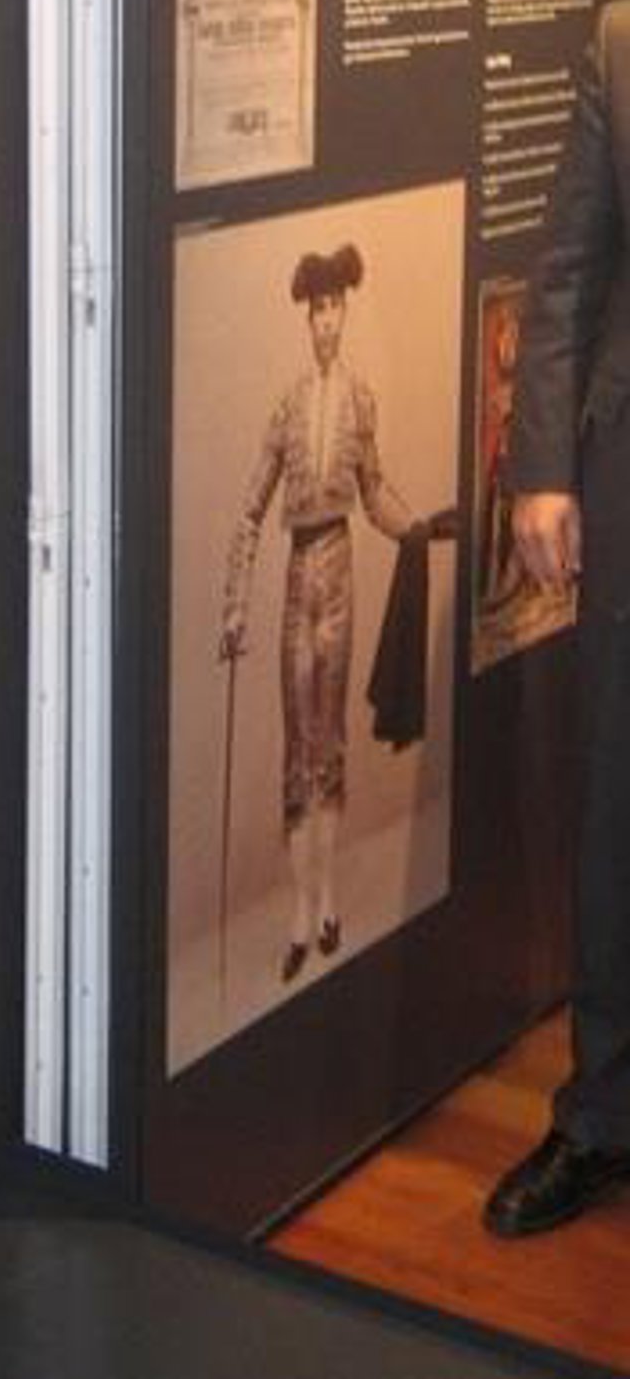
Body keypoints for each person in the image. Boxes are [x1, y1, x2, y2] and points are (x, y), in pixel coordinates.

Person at [485, 1, 630, 1238]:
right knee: (618, 810)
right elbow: (566, 275)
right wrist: (541, 469)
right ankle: (602, 1116)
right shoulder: (623, 48)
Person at [218, 245, 427, 982]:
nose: (326, 321)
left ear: (345, 313)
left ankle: (327, 899)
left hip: (339, 569)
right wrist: (234, 605)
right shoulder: (286, 405)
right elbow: (251, 509)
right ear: (307, 320)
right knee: (295, 745)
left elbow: (374, 493)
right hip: (297, 573)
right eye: (317, 310)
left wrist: (416, 529)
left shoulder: (362, 400)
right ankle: (299, 914)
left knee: (329, 739)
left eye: (335, 307)